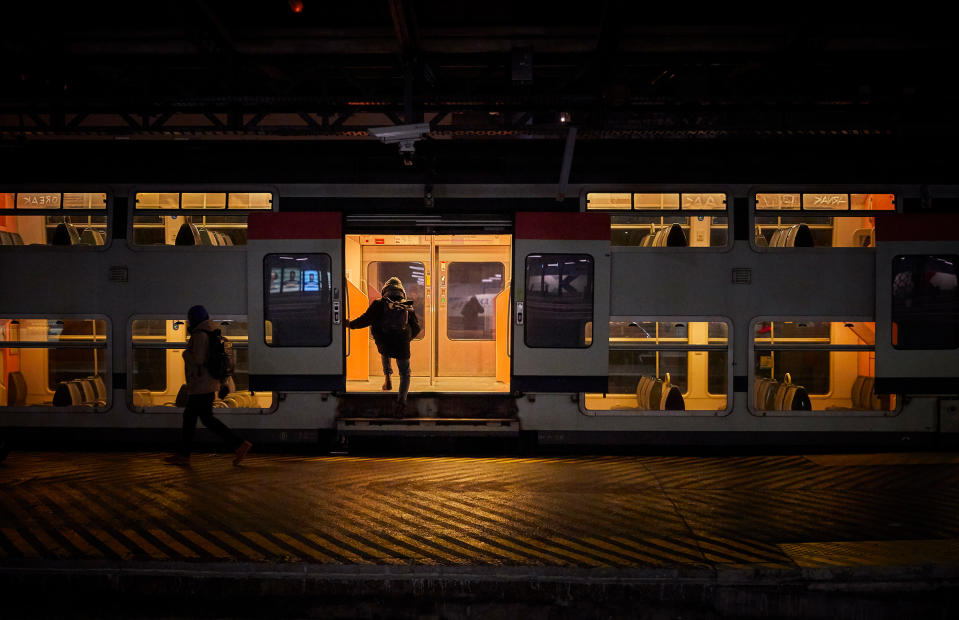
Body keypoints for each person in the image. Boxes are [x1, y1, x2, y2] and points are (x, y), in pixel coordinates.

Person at [164, 305, 252, 466]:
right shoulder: (210, 331)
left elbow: (198, 359)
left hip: (201, 384)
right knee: (198, 418)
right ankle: (185, 454)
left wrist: (185, 354)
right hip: (207, 383)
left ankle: (239, 444)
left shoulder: (199, 334)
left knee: (198, 418)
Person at [345, 277, 421, 417]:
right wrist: (406, 338)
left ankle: (388, 379)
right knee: (405, 373)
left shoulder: (379, 304)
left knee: (385, 352)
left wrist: (350, 325)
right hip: (402, 344)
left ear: (385, 291)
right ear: (401, 292)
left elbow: (365, 319)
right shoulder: (407, 305)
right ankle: (401, 404)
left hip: (384, 341)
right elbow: (417, 328)